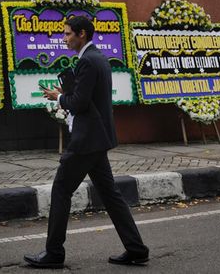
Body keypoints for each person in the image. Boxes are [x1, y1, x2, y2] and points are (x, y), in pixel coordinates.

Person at [24, 16, 149, 269]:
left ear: (82, 34)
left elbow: (80, 103)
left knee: (61, 189)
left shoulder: (88, 61)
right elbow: (87, 98)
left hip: (87, 140)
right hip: (97, 137)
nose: (65, 38)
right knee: (110, 195)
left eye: (68, 34)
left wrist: (60, 100)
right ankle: (136, 249)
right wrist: (62, 95)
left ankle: (54, 253)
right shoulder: (98, 58)